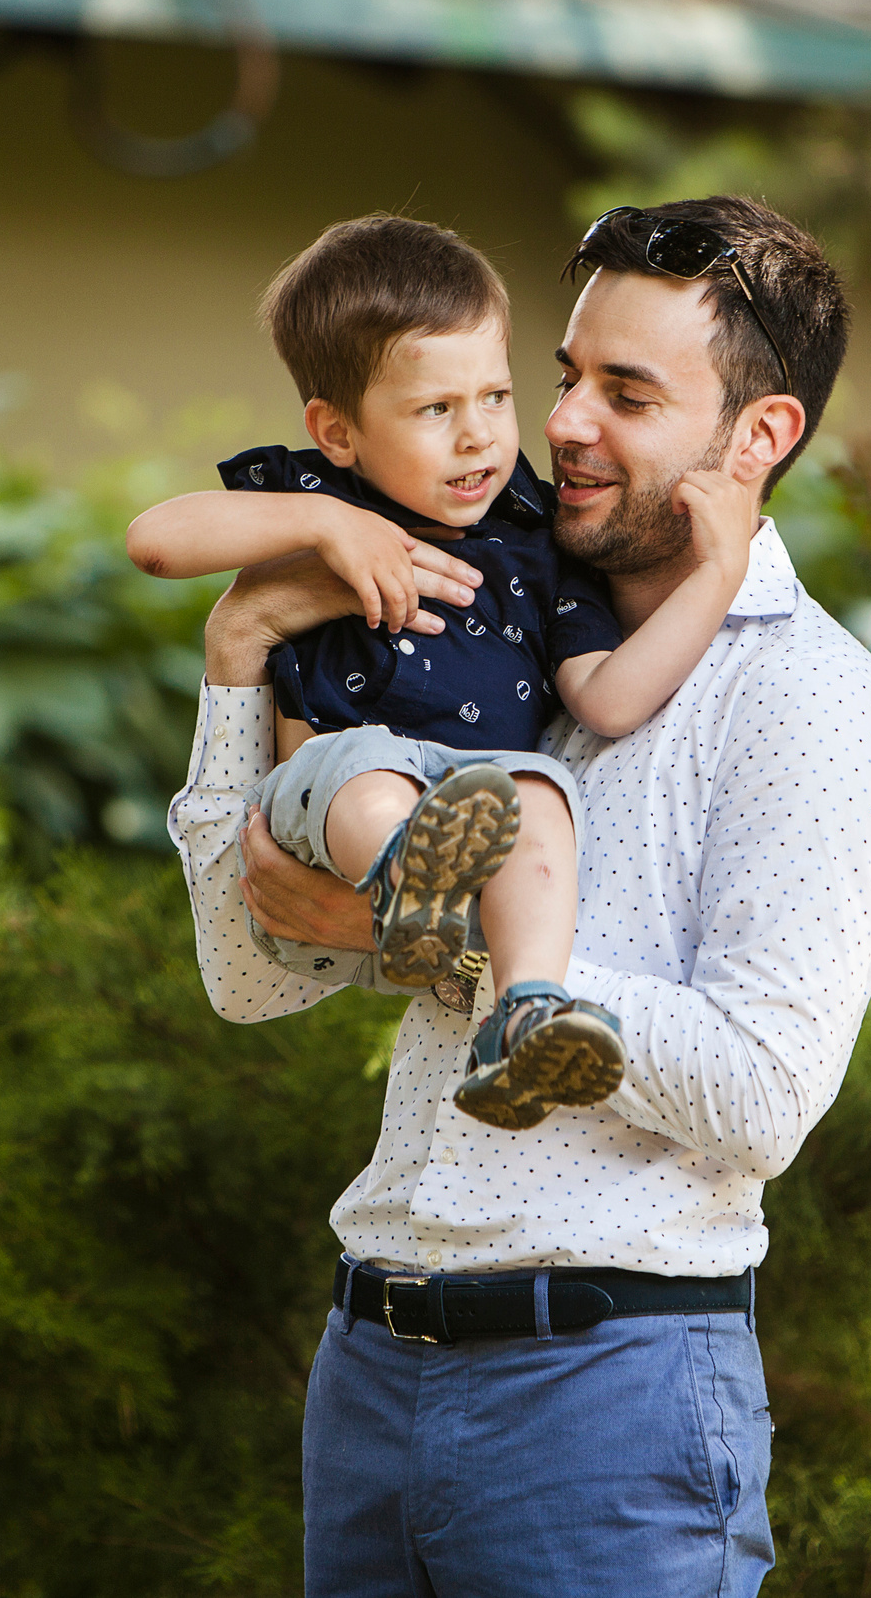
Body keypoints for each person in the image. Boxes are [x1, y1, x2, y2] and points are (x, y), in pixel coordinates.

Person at [169, 197, 871, 1596]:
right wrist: (238, 650)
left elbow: (763, 1092)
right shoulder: (476, 597)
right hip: (373, 1367)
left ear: (758, 440)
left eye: (627, 393)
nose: (563, 423)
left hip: (607, 1393)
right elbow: (250, 971)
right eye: (566, 374)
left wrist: (447, 945)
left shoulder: (807, 700)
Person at [127, 215, 765, 1128]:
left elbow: (611, 698)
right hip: (331, 789)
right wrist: (321, 528)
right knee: (368, 775)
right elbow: (154, 542)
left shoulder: (537, 542)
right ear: (337, 431)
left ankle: (528, 1010)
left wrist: (717, 576)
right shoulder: (323, 498)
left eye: (498, 397)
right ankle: (404, 879)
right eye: (436, 410)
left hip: (476, 791)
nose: (479, 437)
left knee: (542, 795)